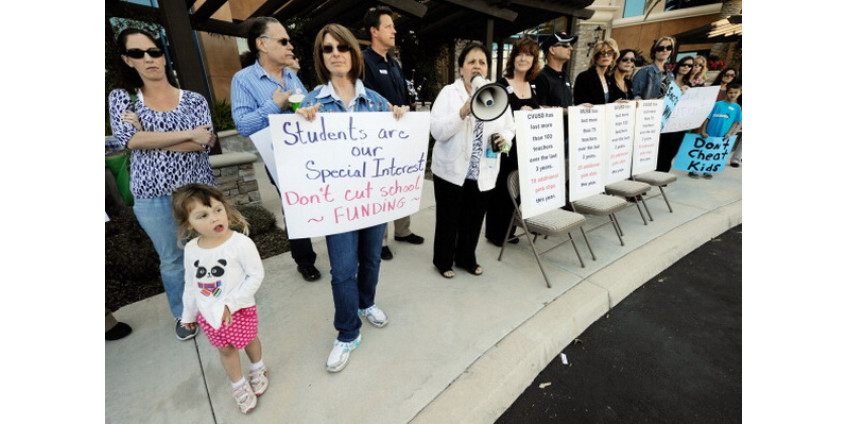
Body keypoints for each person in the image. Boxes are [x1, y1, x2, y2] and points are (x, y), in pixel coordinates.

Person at [296, 24, 408, 373]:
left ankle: (366, 303)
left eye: (342, 47)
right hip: (336, 207)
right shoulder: (311, 102)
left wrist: (399, 121)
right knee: (343, 270)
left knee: (372, 259)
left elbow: (393, 147)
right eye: (328, 48)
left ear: (352, 54)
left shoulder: (375, 102)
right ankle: (347, 333)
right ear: (321, 56)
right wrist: (300, 122)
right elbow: (298, 158)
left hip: (371, 201)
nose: (335, 54)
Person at [108, 28, 217, 341]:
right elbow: (129, 140)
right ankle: (184, 315)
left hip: (199, 194)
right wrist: (186, 134)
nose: (149, 59)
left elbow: (203, 144)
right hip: (153, 197)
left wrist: (149, 136)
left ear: (163, 55)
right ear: (128, 60)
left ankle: (218, 301)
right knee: (172, 261)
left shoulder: (193, 99)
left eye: (154, 51)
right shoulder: (122, 98)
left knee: (209, 251)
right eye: (138, 53)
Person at [230, 17, 322, 283]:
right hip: (277, 158)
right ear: (262, 44)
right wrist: (274, 105)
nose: (290, 46)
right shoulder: (244, 79)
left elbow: (304, 108)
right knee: (293, 207)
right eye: (283, 41)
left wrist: (311, 107)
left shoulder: (291, 75)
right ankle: (305, 260)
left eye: (289, 41)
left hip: (305, 152)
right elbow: (243, 124)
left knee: (319, 199)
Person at [171, 184, 267, 414]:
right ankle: (238, 385)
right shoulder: (192, 249)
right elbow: (191, 284)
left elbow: (256, 275)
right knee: (226, 350)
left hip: (240, 310)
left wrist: (231, 305)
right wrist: (188, 313)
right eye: (202, 215)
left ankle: (258, 367)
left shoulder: (240, 244)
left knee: (249, 340)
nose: (214, 218)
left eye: (217, 210)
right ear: (188, 223)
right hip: (209, 315)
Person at [430, 41, 515, 278]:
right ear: (461, 69)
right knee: (448, 219)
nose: (477, 66)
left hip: (482, 170)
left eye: (482, 62)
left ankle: (466, 257)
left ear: (487, 68)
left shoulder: (495, 93)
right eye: (471, 62)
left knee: (474, 219)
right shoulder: (449, 93)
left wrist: (503, 139)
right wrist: (462, 112)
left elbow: (510, 127)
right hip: (451, 170)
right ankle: (443, 260)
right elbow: (437, 130)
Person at [362, 5, 426, 260]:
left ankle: (403, 230)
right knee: (381, 189)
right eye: (388, 26)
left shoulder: (394, 62)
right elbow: (366, 100)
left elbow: (404, 95)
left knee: (400, 184)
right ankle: (381, 241)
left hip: (401, 136)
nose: (394, 30)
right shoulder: (364, 62)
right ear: (374, 31)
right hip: (379, 140)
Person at [485, 36, 541, 247]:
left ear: (534, 60)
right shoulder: (501, 84)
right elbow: (493, 115)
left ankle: (509, 230)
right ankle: (495, 233)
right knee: (501, 189)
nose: (523, 58)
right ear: (513, 57)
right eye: (520, 53)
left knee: (516, 190)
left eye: (528, 54)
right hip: (506, 144)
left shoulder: (531, 85)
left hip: (525, 147)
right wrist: (518, 113)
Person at [534, 31, 577, 154]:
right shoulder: (541, 77)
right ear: (552, 50)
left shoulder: (565, 75)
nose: (571, 48)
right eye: (565, 45)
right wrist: (565, 111)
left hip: (567, 136)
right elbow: (539, 108)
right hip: (550, 141)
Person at [696, 82, 742, 178]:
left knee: (714, 153)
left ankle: (708, 170)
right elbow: (707, 118)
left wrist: (729, 133)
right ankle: (694, 169)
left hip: (722, 136)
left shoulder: (737, 108)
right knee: (702, 152)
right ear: (726, 92)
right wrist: (703, 131)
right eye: (730, 92)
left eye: (735, 92)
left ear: (740, 93)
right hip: (709, 133)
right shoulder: (717, 104)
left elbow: (736, 122)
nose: (732, 95)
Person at [659, 55, 695, 174]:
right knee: (661, 148)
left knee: (673, 149)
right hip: (664, 120)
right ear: (678, 65)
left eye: (690, 65)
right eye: (684, 64)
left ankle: (663, 173)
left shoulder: (689, 85)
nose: (686, 67)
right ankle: (655, 172)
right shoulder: (668, 79)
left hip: (679, 122)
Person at [573, 38, 621, 105]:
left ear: (613, 57)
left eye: (609, 53)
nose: (606, 56)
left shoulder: (609, 79)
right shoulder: (584, 77)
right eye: (602, 53)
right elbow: (579, 102)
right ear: (596, 57)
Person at [631, 36, 675, 101]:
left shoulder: (670, 74)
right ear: (654, 51)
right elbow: (635, 95)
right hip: (648, 109)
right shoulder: (645, 71)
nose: (665, 50)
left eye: (669, 48)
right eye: (661, 48)